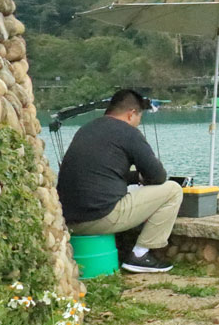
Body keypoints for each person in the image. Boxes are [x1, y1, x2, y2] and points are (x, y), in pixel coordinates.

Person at [57, 89, 182, 273]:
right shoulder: (128, 132)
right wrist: (142, 178)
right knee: (173, 190)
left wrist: (135, 177)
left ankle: (129, 251)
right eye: (139, 119)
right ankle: (140, 255)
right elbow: (158, 176)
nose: (137, 125)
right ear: (131, 114)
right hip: (99, 218)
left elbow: (103, 172)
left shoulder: (87, 129)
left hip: (68, 219)